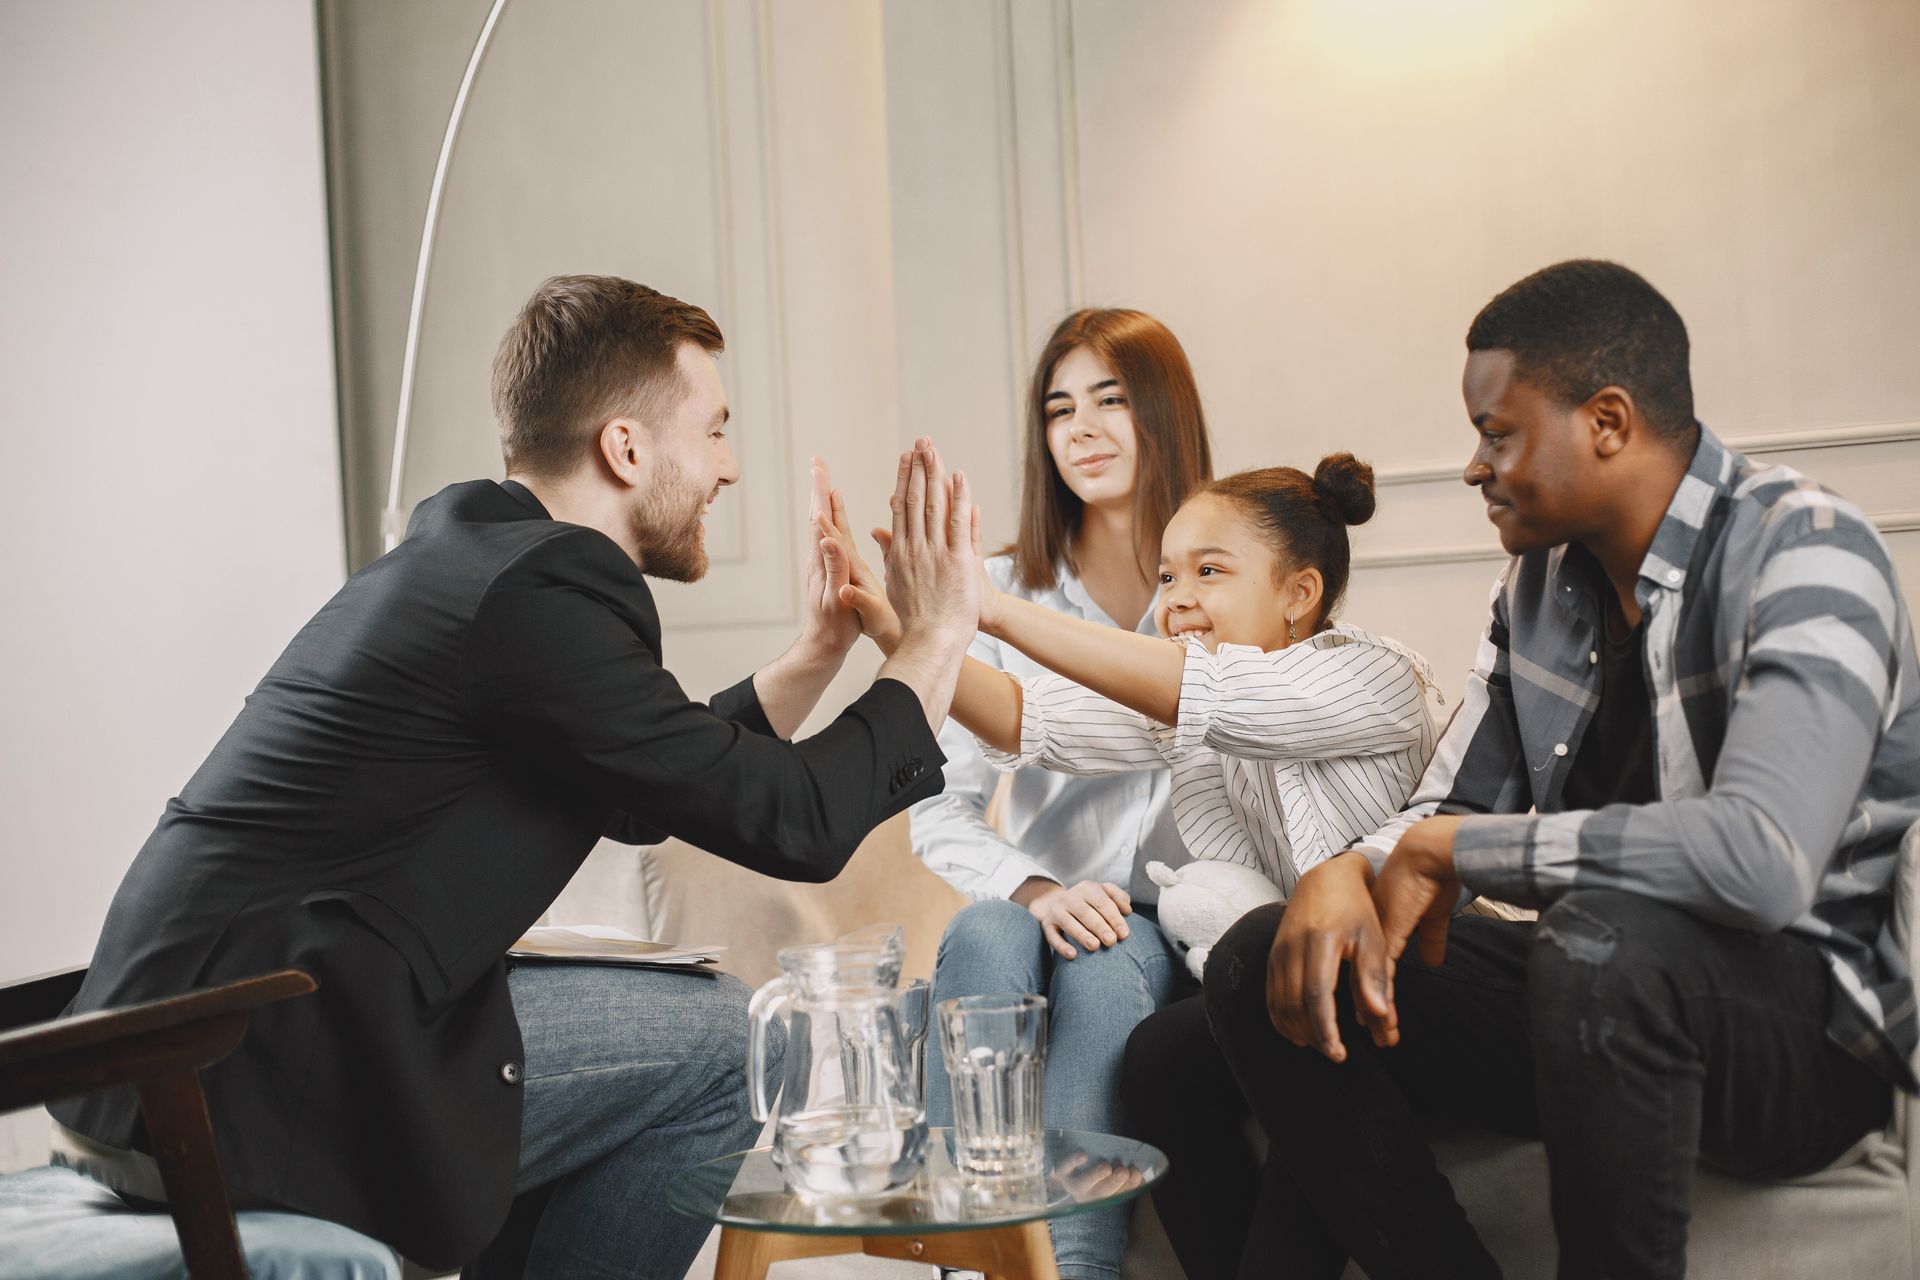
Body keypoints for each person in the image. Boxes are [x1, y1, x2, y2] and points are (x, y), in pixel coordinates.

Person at [47, 275, 983, 1278]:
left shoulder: (475, 557)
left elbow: (630, 791)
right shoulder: (543, 590)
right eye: (713, 430)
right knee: (724, 1042)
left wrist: (812, 656)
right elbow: (800, 820)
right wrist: (935, 638)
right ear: (626, 448)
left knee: (677, 1029)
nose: (730, 466)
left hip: (172, 1056)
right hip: (257, 1071)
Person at [1189, 260, 1920, 1280]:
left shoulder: (1808, 551)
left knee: (1602, 939)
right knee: (1264, 954)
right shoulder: (1537, 583)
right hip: (1598, 991)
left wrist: (1460, 847)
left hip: (1803, 1034)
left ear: (1607, 422)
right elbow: (1451, 799)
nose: (1472, 467)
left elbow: (1765, 857)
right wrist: (1347, 867)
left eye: (1497, 433)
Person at [835, 449, 1439, 1280]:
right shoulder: (1187, 715)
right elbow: (1025, 719)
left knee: (1218, 1050)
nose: (1177, 594)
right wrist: (907, 632)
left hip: (1399, 980)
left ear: (1299, 593)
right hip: (1277, 982)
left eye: (1210, 570)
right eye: (1168, 573)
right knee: (1159, 1058)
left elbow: (1208, 695)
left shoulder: (1373, 675)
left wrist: (995, 611)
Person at [896, 308, 1210, 1280]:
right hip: (1033, 905)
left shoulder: (1225, 579)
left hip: (1161, 921)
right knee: (987, 934)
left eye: (1112, 399)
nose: (1081, 427)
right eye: (1059, 406)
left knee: (1106, 953)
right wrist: (1036, 890)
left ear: (1165, 412)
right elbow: (936, 805)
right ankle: (966, 1254)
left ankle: (1073, 1264)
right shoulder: (996, 589)